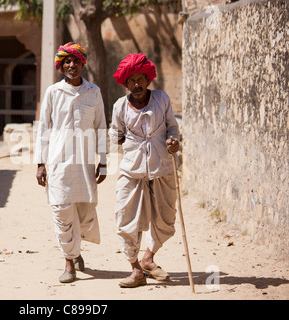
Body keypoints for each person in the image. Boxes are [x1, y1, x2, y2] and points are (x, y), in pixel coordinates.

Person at [34, 42, 108, 283]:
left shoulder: (93, 92)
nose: (71, 65)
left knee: (84, 212)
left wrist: (104, 161)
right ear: (61, 66)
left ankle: (75, 252)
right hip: (58, 164)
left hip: (85, 166)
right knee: (62, 211)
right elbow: (43, 127)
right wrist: (40, 163)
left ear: (82, 63)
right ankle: (69, 263)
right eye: (67, 61)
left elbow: (100, 127)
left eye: (75, 60)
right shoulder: (53, 92)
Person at [109, 53, 180, 288]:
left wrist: (173, 141)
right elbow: (115, 134)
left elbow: (172, 127)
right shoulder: (120, 106)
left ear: (148, 80)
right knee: (125, 220)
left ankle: (148, 258)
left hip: (162, 169)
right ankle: (135, 270)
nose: (136, 85)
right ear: (126, 84)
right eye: (131, 81)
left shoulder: (162, 99)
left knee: (166, 220)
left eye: (140, 79)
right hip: (132, 171)